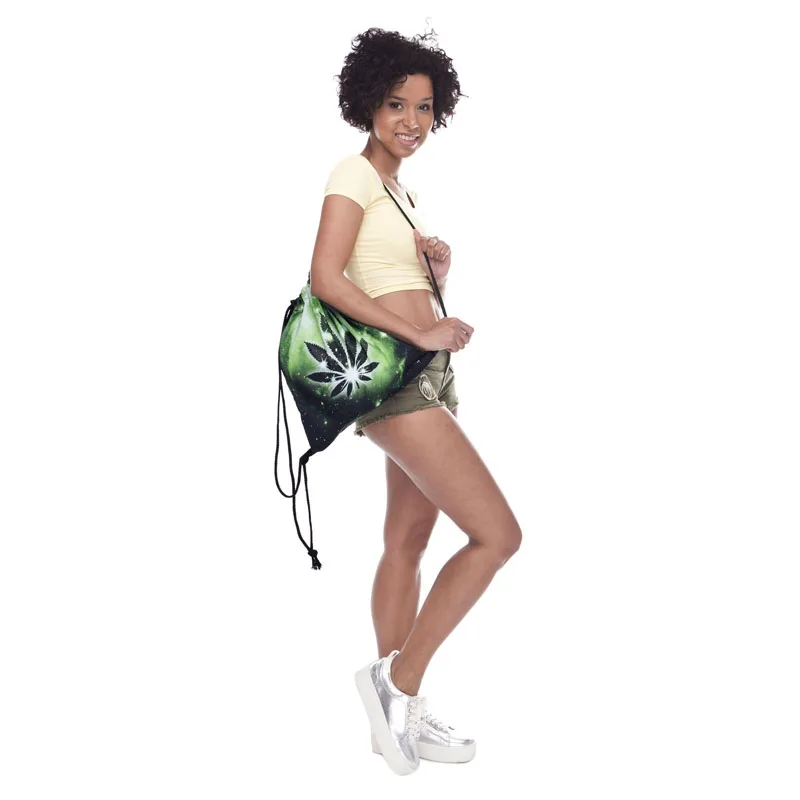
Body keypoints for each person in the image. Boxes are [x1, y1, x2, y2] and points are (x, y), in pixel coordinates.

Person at [309, 27, 523, 776]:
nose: (411, 120)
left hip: (424, 374)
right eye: (397, 103)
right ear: (368, 103)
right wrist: (421, 329)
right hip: (399, 379)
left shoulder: (401, 192)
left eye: (425, 107)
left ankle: (395, 716)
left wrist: (437, 272)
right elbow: (327, 277)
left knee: (407, 541)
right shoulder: (353, 174)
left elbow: (385, 281)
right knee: (497, 536)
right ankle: (396, 683)